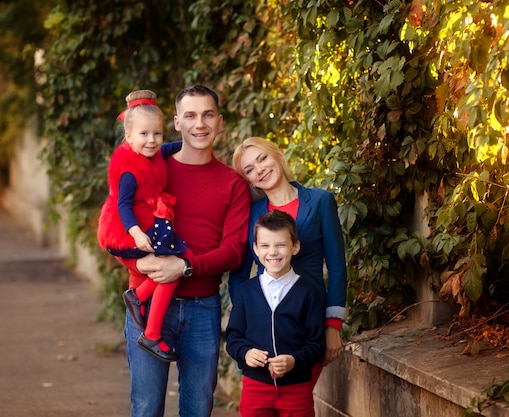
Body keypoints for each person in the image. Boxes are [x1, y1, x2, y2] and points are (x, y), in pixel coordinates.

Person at [117, 85, 251, 417]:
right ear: (176, 122)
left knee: (198, 409)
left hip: (203, 310)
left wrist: (185, 268)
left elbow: (234, 251)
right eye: (190, 115)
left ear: (219, 122)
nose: (199, 124)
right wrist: (139, 260)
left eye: (208, 115)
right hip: (146, 305)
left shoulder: (232, 183)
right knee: (146, 408)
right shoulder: (151, 167)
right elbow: (115, 223)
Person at [229, 136, 347, 379]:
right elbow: (239, 274)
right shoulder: (251, 214)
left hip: (309, 326)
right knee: (262, 400)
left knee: (298, 400)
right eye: (250, 169)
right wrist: (247, 319)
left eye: (263, 158)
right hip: (265, 328)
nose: (259, 170)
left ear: (277, 155)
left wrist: (333, 325)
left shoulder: (319, 201)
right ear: (248, 180)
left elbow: (336, 267)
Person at [97, 89, 190, 363]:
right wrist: (136, 233)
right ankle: (149, 328)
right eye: (144, 134)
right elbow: (123, 205)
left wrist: (190, 143)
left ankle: (139, 297)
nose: (152, 141)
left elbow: (169, 150)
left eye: (157, 134)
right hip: (126, 231)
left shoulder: (152, 153)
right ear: (128, 137)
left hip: (146, 224)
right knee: (170, 269)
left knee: (171, 267)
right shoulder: (128, 169)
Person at [226, 210, 326, 417]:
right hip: (255, 388)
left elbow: (317, 344)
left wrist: (295, 361)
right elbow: (234, 338)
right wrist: (245, 352)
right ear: (255, 248)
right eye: (265, 245)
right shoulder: (246, 291)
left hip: (297, 390)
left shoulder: (309, 292)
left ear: (295, 247)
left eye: (281, 245)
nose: (272, 252)